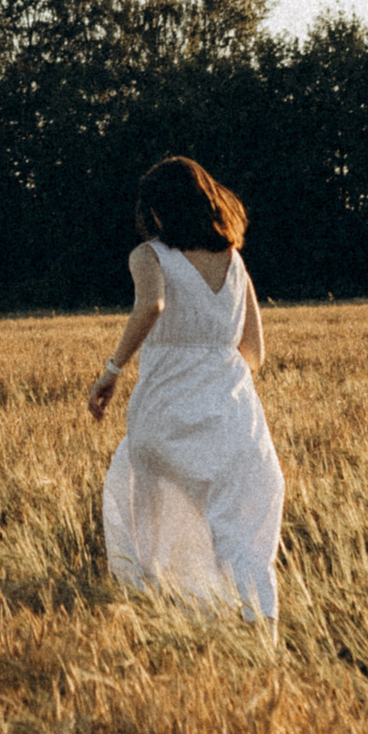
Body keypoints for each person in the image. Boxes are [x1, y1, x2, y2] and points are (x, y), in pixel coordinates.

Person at [88, 154, 282, 617]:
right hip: (233, 416)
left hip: (164, 411)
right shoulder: (235, 262)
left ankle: (172, 617)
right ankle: (259, 632)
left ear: (159, 210)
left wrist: (112, 371)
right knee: (240, 537)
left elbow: (151, 305)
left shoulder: (148, 254)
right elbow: (254, 353)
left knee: (154, 519)